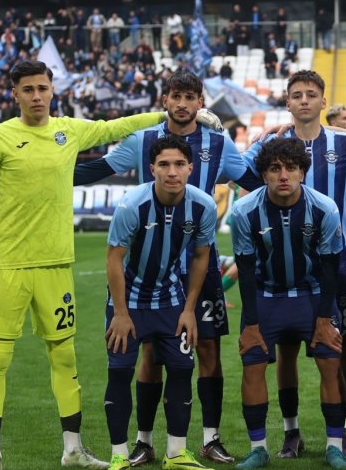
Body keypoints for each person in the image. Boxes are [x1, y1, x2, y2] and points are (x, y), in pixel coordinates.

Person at [0, 60, 170, 470]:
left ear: (52, 90)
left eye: (42, 88)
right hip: (8, 266)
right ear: (15, 94)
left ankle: (73, 450)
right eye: (28, 89)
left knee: (65, 358)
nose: (37, 96)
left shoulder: (68, 130)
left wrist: (168, 116)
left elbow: (115, 126)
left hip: (57, 266)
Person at [74, 70, 255, 466]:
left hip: (199, 261)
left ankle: (209, 438)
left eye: (190, 97)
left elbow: (254, 179)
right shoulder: (143, 140)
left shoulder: (218, 142)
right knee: (150, 352)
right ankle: (143, 442)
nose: (183, 104)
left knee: (207, 348)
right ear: (166, 99)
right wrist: (42, 171)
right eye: (176, 96)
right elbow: (98, 168)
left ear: (201, 102)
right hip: (151, 265)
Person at [243, 71, 346, 459]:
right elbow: (236, 170)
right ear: (287, 102)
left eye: (311, 94)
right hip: (283, 264)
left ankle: (342, 431)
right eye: (297, 95)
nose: (304, 100)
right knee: (285, 350)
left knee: (342, 346)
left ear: (322, 101)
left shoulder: (345, 142)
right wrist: (257, 140)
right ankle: (291, 432)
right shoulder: (272, 143)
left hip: (336, 263)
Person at [230, 138, 346, 470]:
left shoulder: (325, 208)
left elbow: (330, 268)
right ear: (264, 174)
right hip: (266, 296)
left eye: (291, 168)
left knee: (330, 363)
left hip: (313, 294)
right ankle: (258, 449)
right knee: (253, 365)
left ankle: (335, 446)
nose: (283, 176)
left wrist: (324, 320)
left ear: (303, 172)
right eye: (275, 169)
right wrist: (251, 324)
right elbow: (245, 269)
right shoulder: (244, 211)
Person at [102, 136, 218, 470]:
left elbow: (201, 256)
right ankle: (119, 456)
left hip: (171, 299)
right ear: (152, 168)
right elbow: (114, 260)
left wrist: (189, 310)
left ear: (190, 168)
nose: (172, 172)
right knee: (120, 372)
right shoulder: (131, 206)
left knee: (182, 369)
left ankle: (176, 453)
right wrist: (120, 313)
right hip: (129, 302)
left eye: (179, 164)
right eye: (164, 165)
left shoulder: (203, 206)